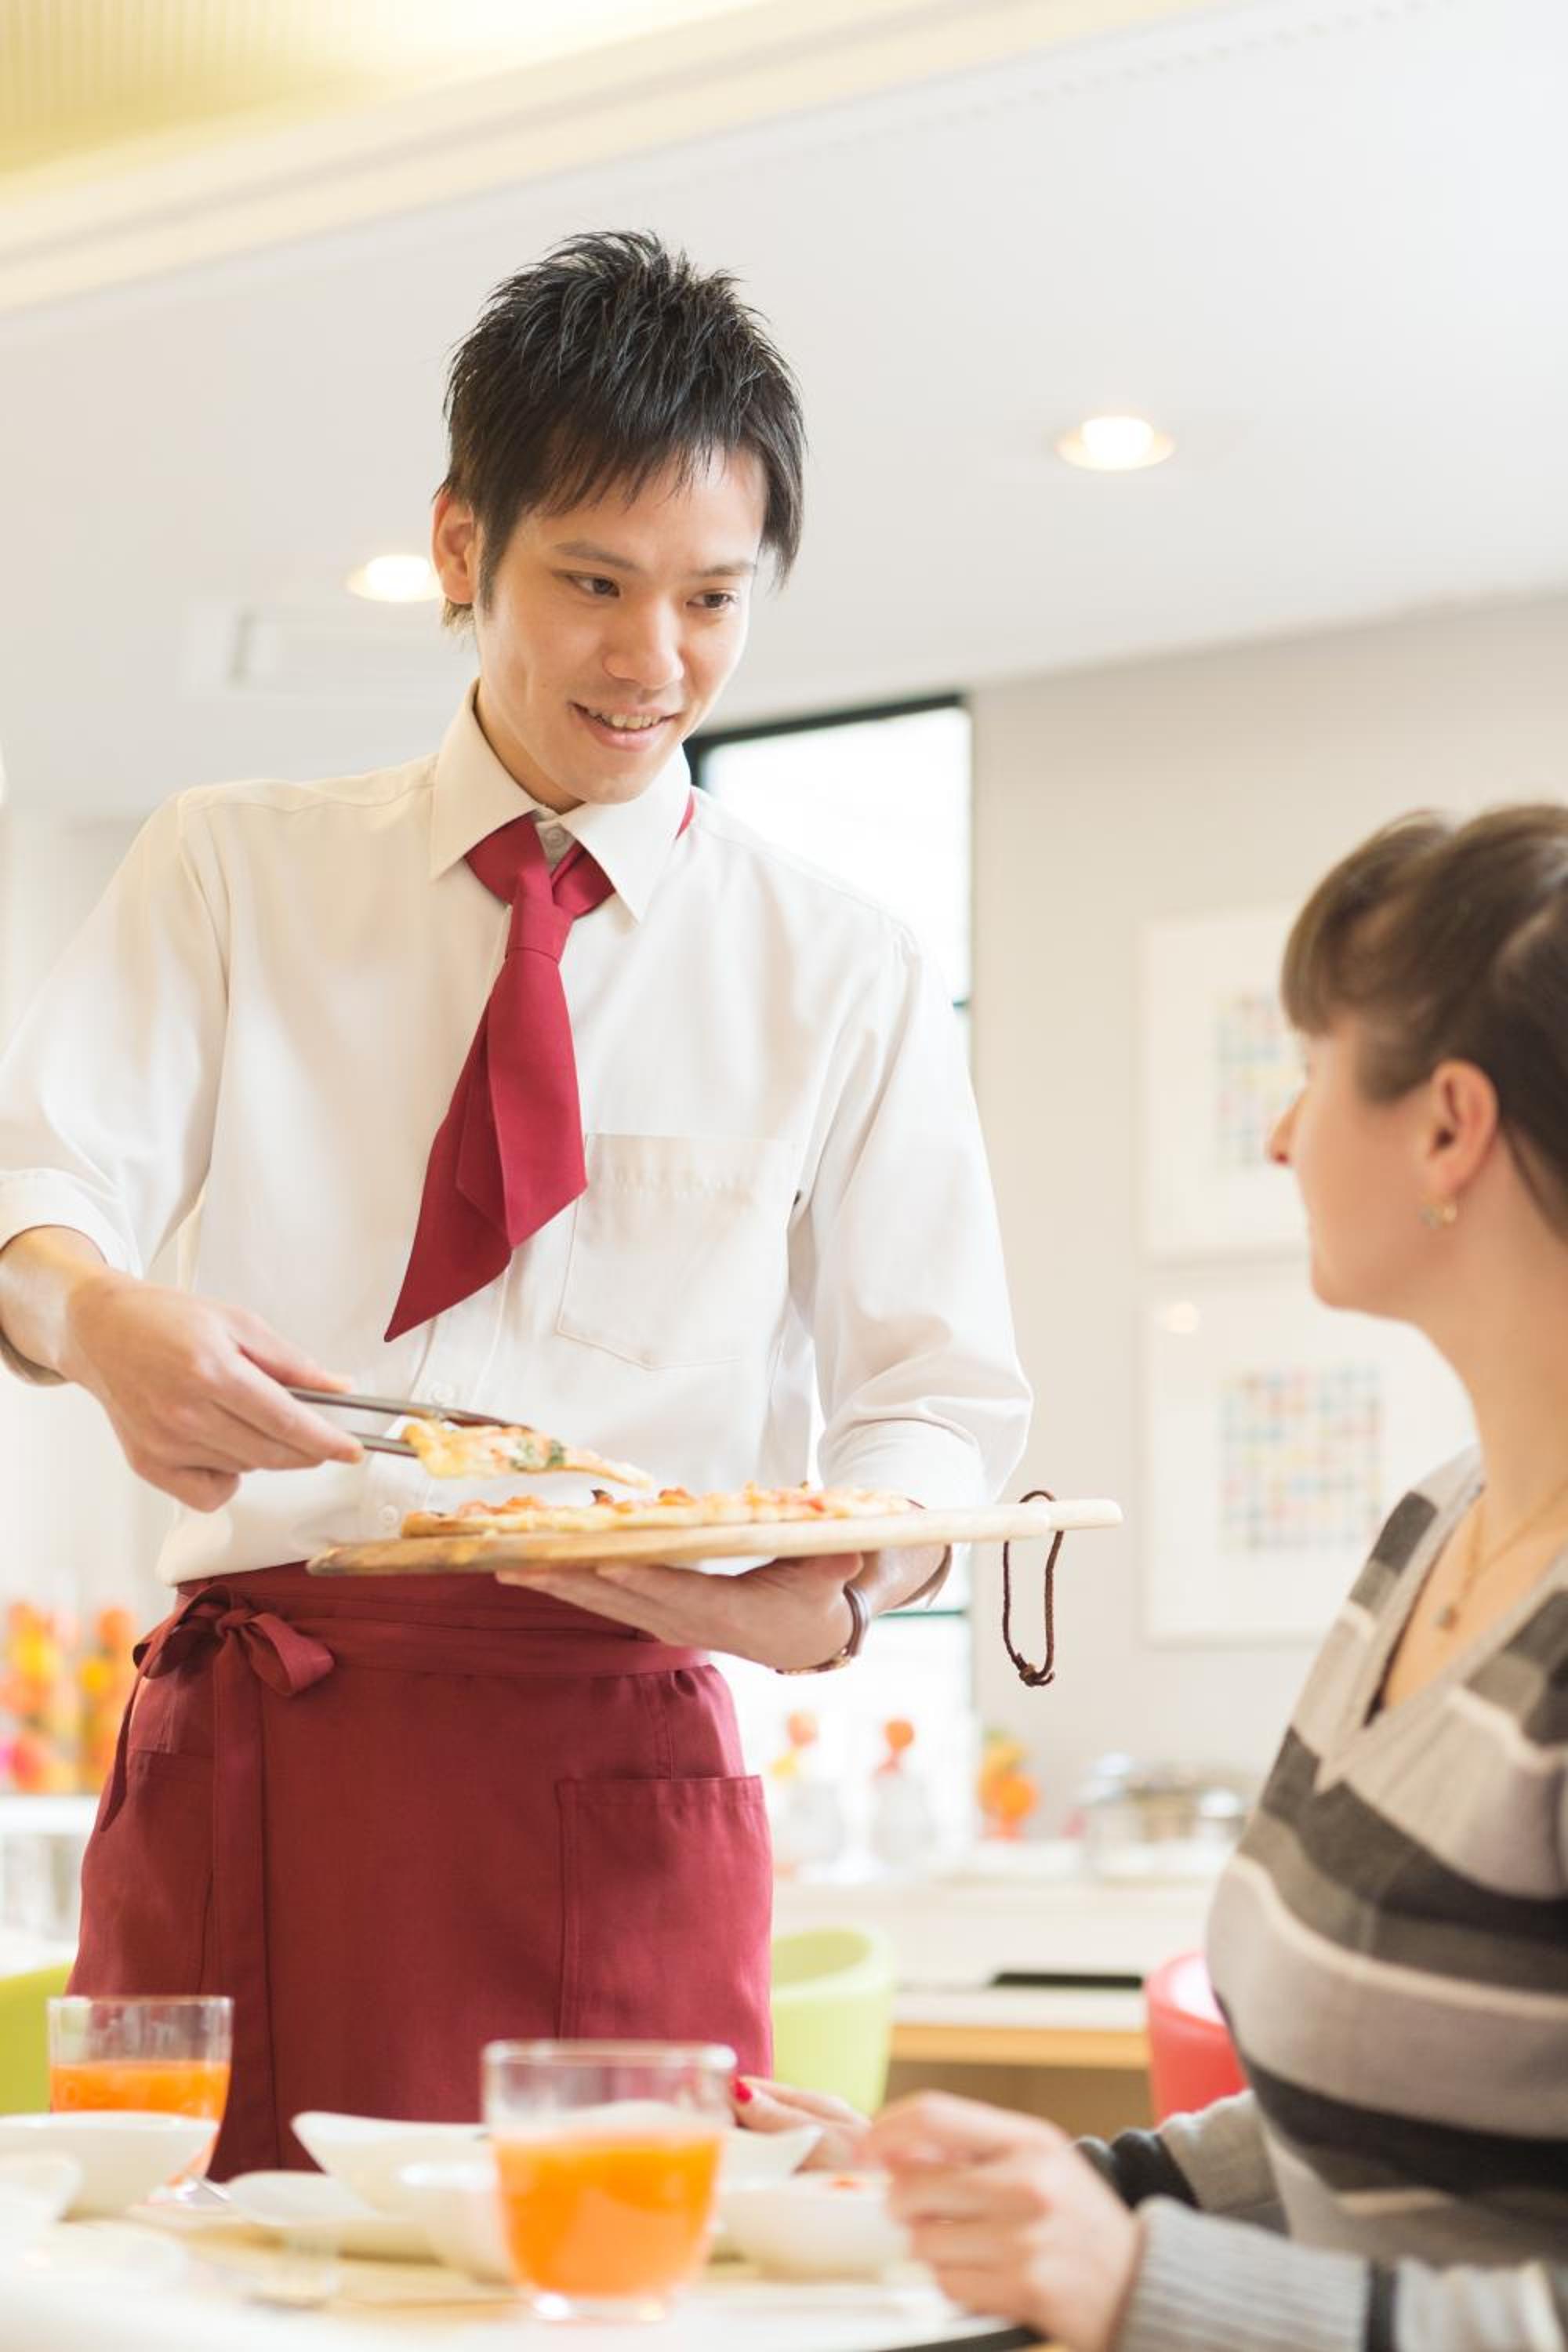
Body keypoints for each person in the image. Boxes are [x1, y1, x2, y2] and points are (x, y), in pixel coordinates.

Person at [0, 230, 1029, 2175]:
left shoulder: (844, 970)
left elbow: (937, 1399)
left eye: (712, 598)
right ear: (462, 549)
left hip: (614, 1752)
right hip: (268, 1742)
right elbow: (35, 1190)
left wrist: (844, 1589)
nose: (653, 661)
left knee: (613, 2284)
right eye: (592, 583)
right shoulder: (231, 870)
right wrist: (90, 1316)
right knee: (194, 2274)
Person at [741, 804, 1568, 2351]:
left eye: (1312, 1069)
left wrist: (1135, 2283)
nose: (1278, 1135)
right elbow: (1350, 2145)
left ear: (1449, 1128)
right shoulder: (1430, 1533)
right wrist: (1057, 2194)